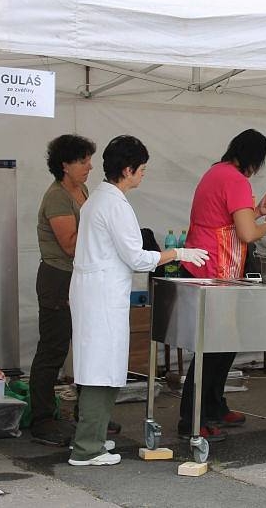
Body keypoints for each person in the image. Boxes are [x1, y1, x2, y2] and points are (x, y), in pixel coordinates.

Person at [68, 136, 208, 466]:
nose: (144, 174)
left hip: (95, 293)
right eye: (142, 169)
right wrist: (178, 252)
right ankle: (86, 448)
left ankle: (94, 439)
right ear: (128, 170)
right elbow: (136, 257)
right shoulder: (113, 204)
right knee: (100, 371)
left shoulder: (98, 199)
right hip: (100, 296)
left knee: (98, 368)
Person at [178, 129, 266, 442]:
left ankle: (215, 405)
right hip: (216, 269)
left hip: (208, 267)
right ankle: (192, 417)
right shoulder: (236, 180)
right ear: (255, 160)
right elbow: (247, 234)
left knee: (224, 343)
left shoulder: (215, 173)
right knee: (212, 348)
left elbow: (228, 218)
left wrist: (256, 211)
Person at [29, 134, 95, 447]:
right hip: (58, 278)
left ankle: (88, 414)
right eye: (83, 160)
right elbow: (71, 244)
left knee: (83, 347)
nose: (89, 166)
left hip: (80, 278)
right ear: (65, 165)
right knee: (53, 349)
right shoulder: (57, 196)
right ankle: (42, 419)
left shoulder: (81, 189)